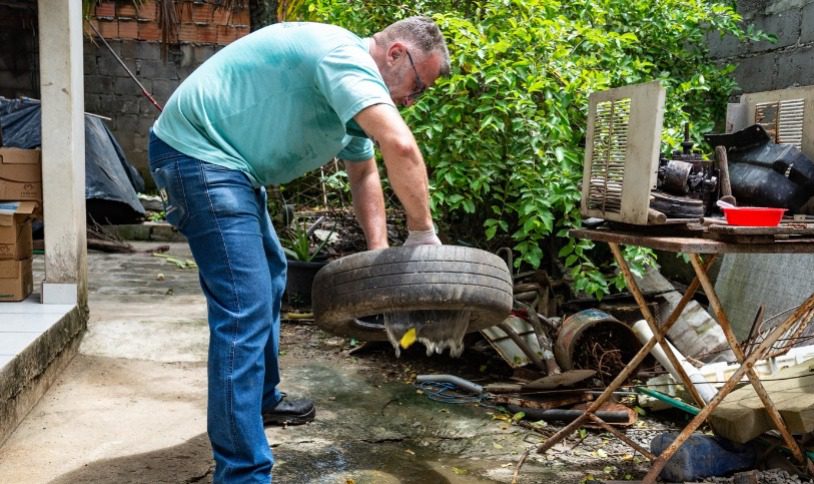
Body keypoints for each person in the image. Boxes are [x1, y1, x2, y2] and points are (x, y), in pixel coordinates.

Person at [147, 16, 449, 483]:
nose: (412, 100)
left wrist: (380, 261)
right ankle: (243, 473)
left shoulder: (351, 95)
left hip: (232, 168)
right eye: (418, 86)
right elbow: (400, 146)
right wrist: (423, 233)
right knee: (244, 309)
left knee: (271, 276)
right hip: (198, 156)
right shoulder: (343, 58)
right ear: (396, 54)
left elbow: (364, 173)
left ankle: (261, 401)